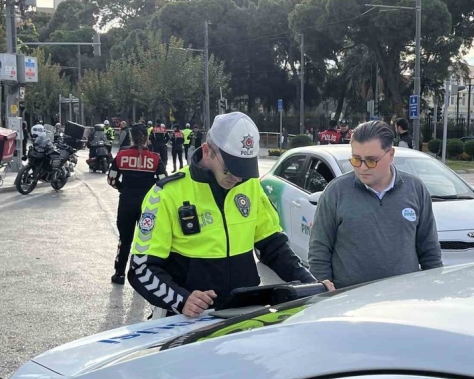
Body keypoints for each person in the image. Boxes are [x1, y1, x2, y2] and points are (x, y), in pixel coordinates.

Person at [128, 112, 330, 317]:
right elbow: (141, 268)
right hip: (188, 318)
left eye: (244, 169)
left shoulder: (250, 185)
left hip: (243, 313)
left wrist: (311, 283)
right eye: (230, 169)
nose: (237, 178)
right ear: (207, 151)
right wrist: (181, 299)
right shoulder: (165, 194)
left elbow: (274, 247)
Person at [308, 120, 442, 289]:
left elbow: (429, 250)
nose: (363, 167)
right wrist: (323, 291)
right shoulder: (336, 192)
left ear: (391, 155)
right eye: (356, 159)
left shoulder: (415, 189)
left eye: (371, 160)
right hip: (349, 300)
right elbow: (319, 250)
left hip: (404, 298)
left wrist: (434, 289)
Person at [108, 123, 167, 285]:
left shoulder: (121, 155)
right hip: (148, 206)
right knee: (145, 242)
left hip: (126, 203)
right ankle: (142, 276)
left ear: (131, 137)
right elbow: (163, 182)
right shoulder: (155, 158)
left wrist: (123, 189)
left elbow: (111, 180)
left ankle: (119, 273)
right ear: (147, 137)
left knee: (125, 239)